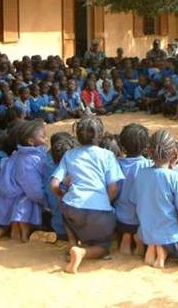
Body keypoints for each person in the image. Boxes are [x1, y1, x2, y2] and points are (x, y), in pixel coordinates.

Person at [51, 116, 124, 273]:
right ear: (100, 135)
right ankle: (82, 252)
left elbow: (54, 184)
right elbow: (113, 187)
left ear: (77, 136)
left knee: (65, 210)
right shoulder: (107, 155)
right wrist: (105, 201)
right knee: (104, 246)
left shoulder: (69, 154)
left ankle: (72, 243)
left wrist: (62, 196)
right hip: (99, 210)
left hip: (72, 206)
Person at [131, 130, 178, 268]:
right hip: (172, 238)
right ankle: (163, 250)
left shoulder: (141, 174)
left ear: (148, 151)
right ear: (175, 153)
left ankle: (153, 247)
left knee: (159, 228)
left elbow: (136, 203)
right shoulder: (176, 177)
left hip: (146, 233)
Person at [115, 123, 152, 256]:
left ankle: (125, 237)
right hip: (141, 221)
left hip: (120, 219)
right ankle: (138, 239)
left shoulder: (116, 164)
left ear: (122, 144)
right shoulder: (149, 165)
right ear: (145, 146)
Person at [10, 121, 49, 242]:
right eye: (43, 137)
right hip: (34, 198)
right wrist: (47, 203)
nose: (46, 139)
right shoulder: (27, 161)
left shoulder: (34, 154)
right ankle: (24, 231)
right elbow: (34, 191)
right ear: (31, 141)